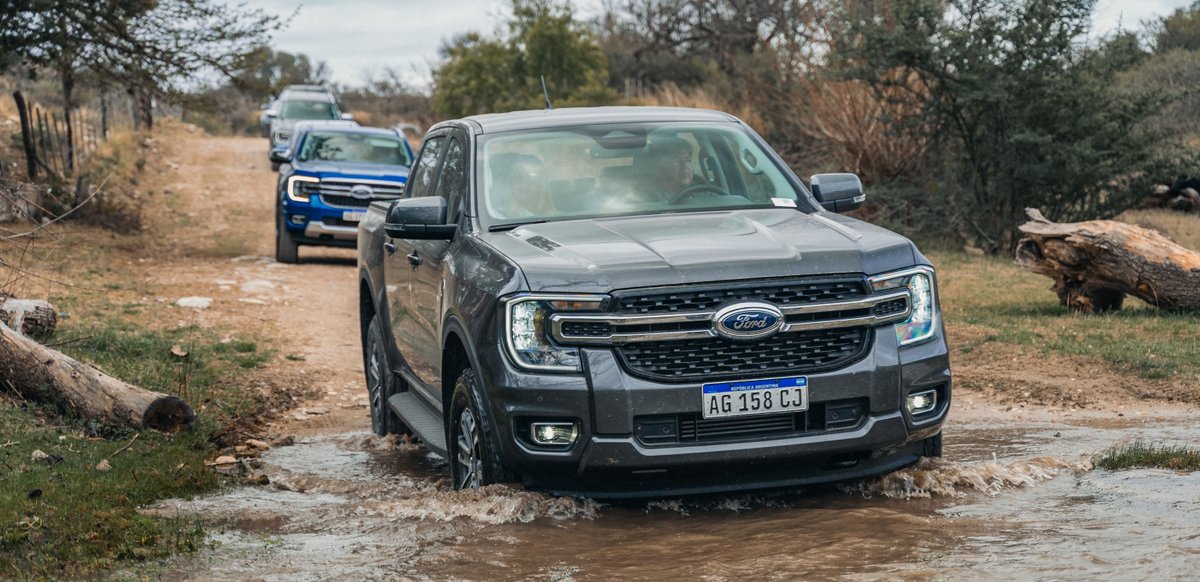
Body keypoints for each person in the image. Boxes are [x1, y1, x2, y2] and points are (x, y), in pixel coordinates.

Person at [631, 136, 695, 203]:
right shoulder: (644, 201)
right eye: (676, 161)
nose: (685, 165)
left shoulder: (702, 193)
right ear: (659, 169)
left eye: (688, 160)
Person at [489, 153, 549, 219]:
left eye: (532, 177)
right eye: (517, 176)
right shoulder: (499, 218)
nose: (524, 183)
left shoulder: (556, 217)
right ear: (510, 182)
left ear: (543, 183)